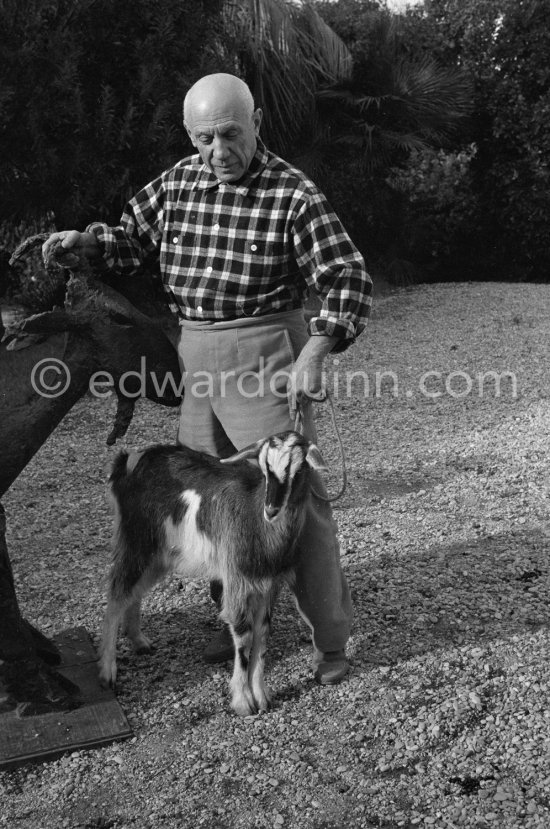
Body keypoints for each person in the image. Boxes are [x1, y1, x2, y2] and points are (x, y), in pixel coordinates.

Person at [42, 73, 372, 685]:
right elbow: (128, 241)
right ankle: (240, 620)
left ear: (258, 123)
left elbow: (347, 276)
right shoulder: (176, 181)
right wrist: (85, 243)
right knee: (214, 495)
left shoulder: (294, 193)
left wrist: (316, 350)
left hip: (267, 348)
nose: (217, 151)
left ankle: (332, 641)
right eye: (203, 139)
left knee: (295, 499)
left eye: (229, 134)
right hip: (195, 349)